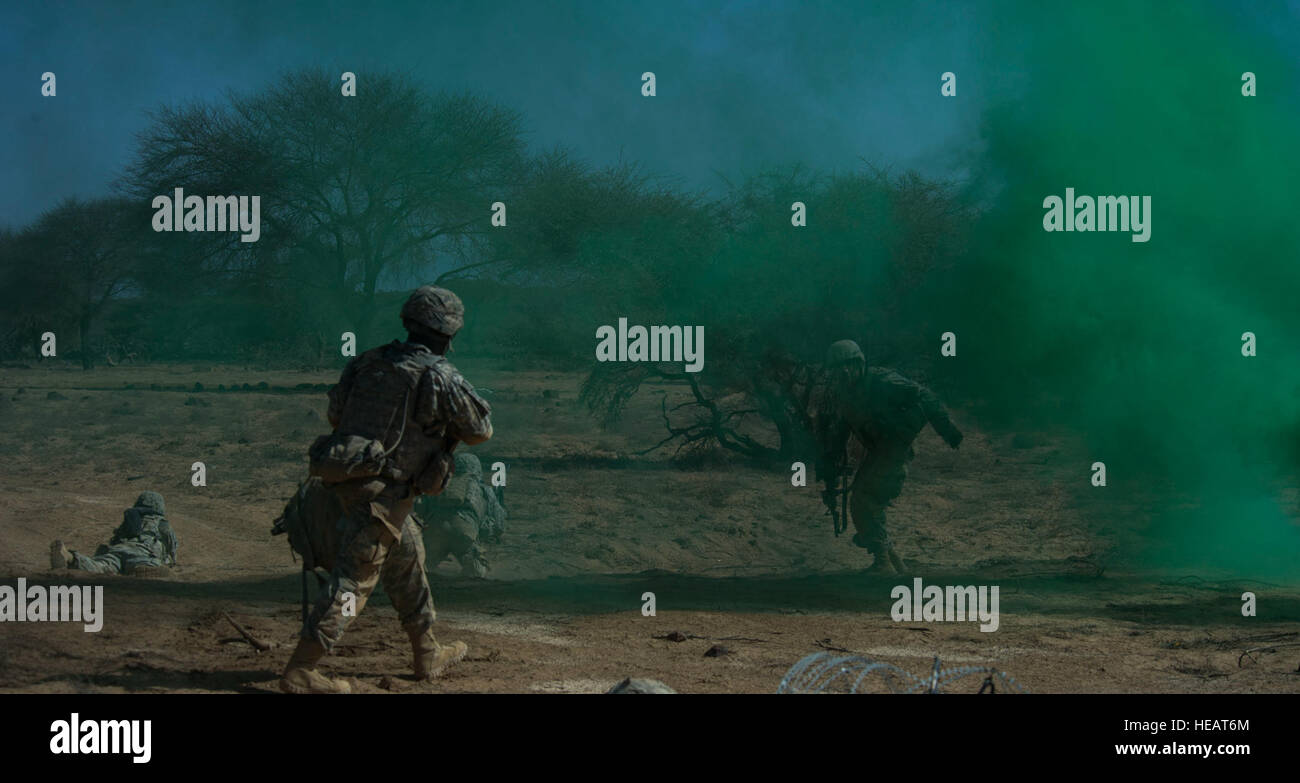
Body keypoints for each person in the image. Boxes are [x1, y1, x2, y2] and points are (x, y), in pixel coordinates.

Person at [279, 285, 493, 695]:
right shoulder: (439, 374)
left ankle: (426, 651)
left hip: (340, 485)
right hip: (381, 498)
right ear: (449, 334)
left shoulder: (366, 362)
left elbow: (335, 414)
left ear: (407, 323)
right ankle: (302, 668)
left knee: (408, 556)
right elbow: (480, 432)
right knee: (353, 582)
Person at [816, 339, 962, 574]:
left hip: (894, 451)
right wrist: (830, 464)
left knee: (864, 500)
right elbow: (841, 431)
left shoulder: (881, 381)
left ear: (859, 363)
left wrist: (948, 431)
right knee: (866, 500)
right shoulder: (844, 395)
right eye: (837, 367)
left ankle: (883, 562)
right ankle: (894, 562)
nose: (844, 371)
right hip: (878, 452)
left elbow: (924, 396)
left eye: (849, 365)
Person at [414, 453, 506, 579]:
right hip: (464, 535)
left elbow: (419, 508)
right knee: (477, 574)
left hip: (435, 532)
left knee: (421, 569)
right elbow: (499, 525)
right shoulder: (484, 489)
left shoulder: (440, 485)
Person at [50, 491, 177, 577]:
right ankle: (141, 570)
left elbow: (115, 539)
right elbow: (171, 545)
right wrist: (171, 560)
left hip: (117, 551)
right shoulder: (161, 522)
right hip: (142, 554)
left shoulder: (131, 519)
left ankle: (70, 557)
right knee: (146, 566)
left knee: (100, 566)